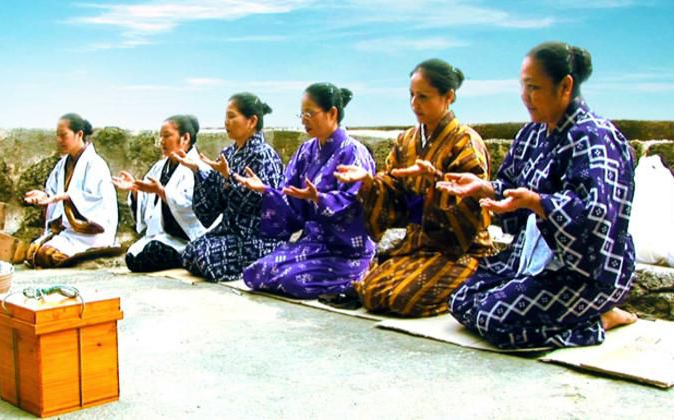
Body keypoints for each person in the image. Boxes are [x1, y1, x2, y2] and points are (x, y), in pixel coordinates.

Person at [441, 42, 638, 349]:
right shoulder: (532, 134)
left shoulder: (596, 138)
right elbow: (512, 187)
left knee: (496, 320)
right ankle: (577, 315)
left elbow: (597, 215)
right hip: (532, 255)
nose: (524, 97)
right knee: (461, 299)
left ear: (565, 86)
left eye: (533, 88)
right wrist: (485, 187)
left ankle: (600, 320)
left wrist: (539, 203)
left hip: (588, 270)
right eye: (523, 87)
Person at [334, 59, 495, 317]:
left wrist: (437, 181)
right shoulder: (407, 140)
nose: (414, 104)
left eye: (423, 96)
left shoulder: (465, 140)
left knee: (402, 299)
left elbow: (473, 196)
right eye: (411, 95)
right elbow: (393, 186)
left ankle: (472, 282)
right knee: (371, 291)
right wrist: (370, 182)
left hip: (458, 247)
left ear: (448, 97)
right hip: (417, 243)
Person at [237, 83, 376, 299]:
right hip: (312, 242)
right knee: (256, 271)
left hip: (344, 250)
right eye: (301, 114)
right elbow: (290, 197)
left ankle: (355, 275)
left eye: (309, 114)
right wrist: (266, 190)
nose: (303, 120)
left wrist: (320, 199)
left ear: (332, 113)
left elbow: (355, 202)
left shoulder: (354, 152)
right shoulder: (306, 151)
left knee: (291, 280)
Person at [173, 93, 284, 281]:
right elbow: (213, 206)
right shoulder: (228, 154)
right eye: (226, 117)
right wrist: (198, 172)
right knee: (191, 251)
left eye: (232, 116)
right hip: (230, 231)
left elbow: (257, 203)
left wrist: (228, 176)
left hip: (256, 236)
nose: (226, 122)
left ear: (252, 121)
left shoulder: (264, 155)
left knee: (206, 258)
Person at [114, 115, 214, 272]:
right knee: (132, 257)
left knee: (149, 255)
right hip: (164, 236)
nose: (161, 141)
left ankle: (187, 255)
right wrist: (135, 190)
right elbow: (147, 197)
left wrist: (161, 192)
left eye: (166, 136)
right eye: (160, 136)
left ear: (185, 138)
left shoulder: (199, 168)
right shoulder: (160, 167)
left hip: (185, 238)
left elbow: (195, 208)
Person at [24, 113, 118, 268]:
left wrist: (67, 197)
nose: (59, 140)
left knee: (45, 255)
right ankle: (80, 259)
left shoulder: (95, 164)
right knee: (32, 253)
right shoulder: (62, 165)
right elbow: (52, 194)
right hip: (69, 232)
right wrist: (44, 196)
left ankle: (92, 258)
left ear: (79, 134)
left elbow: (97, 202)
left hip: (91, 234)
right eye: (57, 136)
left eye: (63, 135)